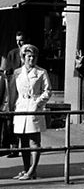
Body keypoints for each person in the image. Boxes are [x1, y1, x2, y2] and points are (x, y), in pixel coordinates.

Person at [11, 44, 51, 180]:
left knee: (34, 141)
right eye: (29, 56)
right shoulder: (17, 73)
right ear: (23, 58)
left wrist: (38, 102)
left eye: (34, 56)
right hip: (21, 107)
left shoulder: (41, 72)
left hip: (34, 107)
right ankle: (26, 168)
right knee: (23, 141)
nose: (31, 59)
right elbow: (13, 92)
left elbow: (48, 91)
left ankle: (33, 170)